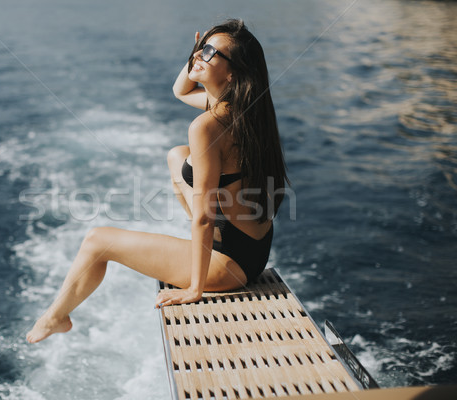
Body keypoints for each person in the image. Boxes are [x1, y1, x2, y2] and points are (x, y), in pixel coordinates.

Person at [26, 19, 288, 344]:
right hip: (252, 251)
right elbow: (180, 91)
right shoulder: (246, 108)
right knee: (178, 156)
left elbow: (205, 216)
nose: (199, 56)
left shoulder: (207, 125)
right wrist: (196, 54)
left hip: (227, 267)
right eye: (201, 46)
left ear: (232, 72)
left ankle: (56, 317)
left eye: (210, 52)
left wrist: (194, 288)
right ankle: (198, 250)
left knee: (97, 241)